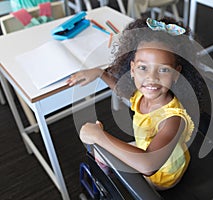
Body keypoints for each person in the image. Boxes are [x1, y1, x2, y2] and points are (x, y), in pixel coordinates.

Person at [67, 17, 203, 190]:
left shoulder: (173, 119)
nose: (151, 78)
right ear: (132, 70)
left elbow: (149, 165)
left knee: (102, 152)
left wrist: (98, 136)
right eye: (142, 68)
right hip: (147, 151)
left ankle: (110, 187)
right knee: (102, 153)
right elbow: (123, 92)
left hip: (162, 175)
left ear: (176, 74)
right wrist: (100, 73)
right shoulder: (143, 96)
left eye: (163, 70)